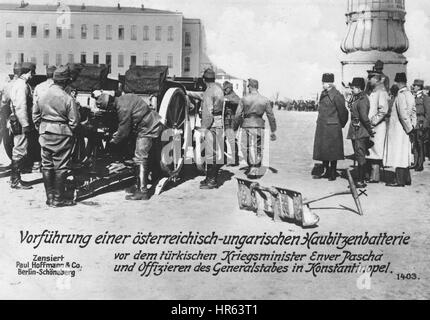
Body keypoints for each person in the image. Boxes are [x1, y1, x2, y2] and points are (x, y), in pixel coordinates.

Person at [96, 92, 164, 200]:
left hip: (148, 128)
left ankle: (143, 191)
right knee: (140, 155)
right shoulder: (125, 97)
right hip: (151, 122)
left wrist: (113, 141)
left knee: (140, 157)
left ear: (110, 105)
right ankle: (138, 185)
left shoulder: (122, 109)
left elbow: (124, 131)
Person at [33, 66, 80, 207]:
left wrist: (41, 129)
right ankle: (58, 199)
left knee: (46, 165)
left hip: (45, 132)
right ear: (65, 81)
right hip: (62, 134)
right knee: (61, 166)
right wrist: (68, 131)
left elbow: (35, 116)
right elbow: (74, 122)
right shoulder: (67, 98)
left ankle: (50, 198)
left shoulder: (42, 94)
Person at [234, 78, 277, 179]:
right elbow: (271, 116)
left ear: (250, 87)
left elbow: (237, 115)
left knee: (245, 147)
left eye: (248, 86)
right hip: (259, 125)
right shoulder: (265, 100)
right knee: (258, 147)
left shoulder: (244, 99)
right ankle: (256, 167)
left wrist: (235, 127)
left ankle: (251, 166)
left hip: (246, 125)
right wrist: (273, 130)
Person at [312, 73, 348, 181]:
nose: (323, 85)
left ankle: (332, 172)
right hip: (323, 126)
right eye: (323, 83)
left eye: (324, 83)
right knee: (324, 150)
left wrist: (340, 124)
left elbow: (343, 112)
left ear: (330, 83)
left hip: (332, 127)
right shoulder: (324, 94)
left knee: (333, 151)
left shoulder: (336, 95)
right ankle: (326, 171)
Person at [384, 73, 416, 187]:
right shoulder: (410, 94)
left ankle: (399, 180)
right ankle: (407, 179)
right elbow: (413, 112)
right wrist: (412, 128)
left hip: (400, 129)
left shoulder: (400, 95)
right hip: (407, 129)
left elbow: (403, 115)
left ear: (398, 82)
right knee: (405, 153)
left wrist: (408, 128)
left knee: (398, 154)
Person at [8, 62, 36, 189]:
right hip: (20, 121)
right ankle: (15, 180)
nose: (33, 75)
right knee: (20, 149)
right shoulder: (22, 85)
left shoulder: (18, 84)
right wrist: (25, 124)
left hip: (17, 120)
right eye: (32, 72)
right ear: (28, 72)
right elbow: (21, 106)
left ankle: (14, 178)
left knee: (18, 148)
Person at [198, 69, 225, 189]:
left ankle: (212, 181)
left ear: (204, 80)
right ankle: (209, 178)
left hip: (212, 125)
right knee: (214, 151)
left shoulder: (209, 91)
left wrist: (204, 128)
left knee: (210, 153)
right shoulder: (218, 89)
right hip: (218, 123)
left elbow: (208, 114)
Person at [346, 78, 373, 188]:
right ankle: (362, 177)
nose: (352, 90)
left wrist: (369, 130)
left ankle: (361, 180)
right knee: (358, 154)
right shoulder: (357, 98)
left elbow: (364, 117)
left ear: (359, 88)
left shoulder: (362, 99)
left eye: (353, 88)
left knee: (360, 154)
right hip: (356, 130)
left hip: (360, 131)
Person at [366, 70, 389, 183]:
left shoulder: (381, 92)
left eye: (370, 78)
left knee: (376, 150)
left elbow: (383, 110)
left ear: (376, 78)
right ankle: (372, 175)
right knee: (371, 149)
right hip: (373, 127)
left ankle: (375, 176)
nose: (368, 80)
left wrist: (372, 122)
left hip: (378, 127)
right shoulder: (374, 91)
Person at [0, 63, 21, 151]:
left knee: (7, 135)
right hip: (15, 115)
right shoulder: (20, 84)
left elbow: (4, 99)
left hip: (7, 114)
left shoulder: (7, 83)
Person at [411, 79, 430, 171]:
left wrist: (425, 125)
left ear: (419, 87)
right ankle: (415, 163)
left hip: (421, 123)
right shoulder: (413, 97)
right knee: (415, 144)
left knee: (420, 144)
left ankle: (420, 163)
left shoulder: (425, 97)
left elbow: (428, 113)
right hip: (414, 123)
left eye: (414, 85)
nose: (413, 87)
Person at [223, 81, 240, 166]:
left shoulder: (234, 96)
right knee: (223, 139)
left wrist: (228, 100)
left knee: (231, 140)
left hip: (230, 121)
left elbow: (238, 101)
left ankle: (235, 160)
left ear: (230, 88)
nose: (224, 90)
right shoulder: (224, 95)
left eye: (226, 89)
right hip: (225, 121)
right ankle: (224, 158)